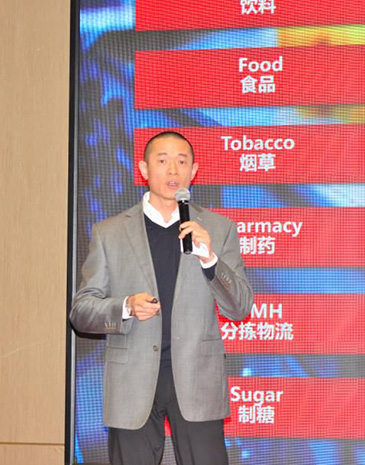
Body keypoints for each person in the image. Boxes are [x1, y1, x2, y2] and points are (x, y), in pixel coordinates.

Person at [70, 131, 253, 465]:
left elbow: (240, 307)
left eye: (181, 162)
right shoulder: (109, 233)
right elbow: (81, 311)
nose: (172, 171)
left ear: (193, 171)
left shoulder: (219, 229)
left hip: (197, 379)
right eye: (163, 160)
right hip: (132, 380)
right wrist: (125, 307)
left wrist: (210, 259)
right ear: (144, 169)